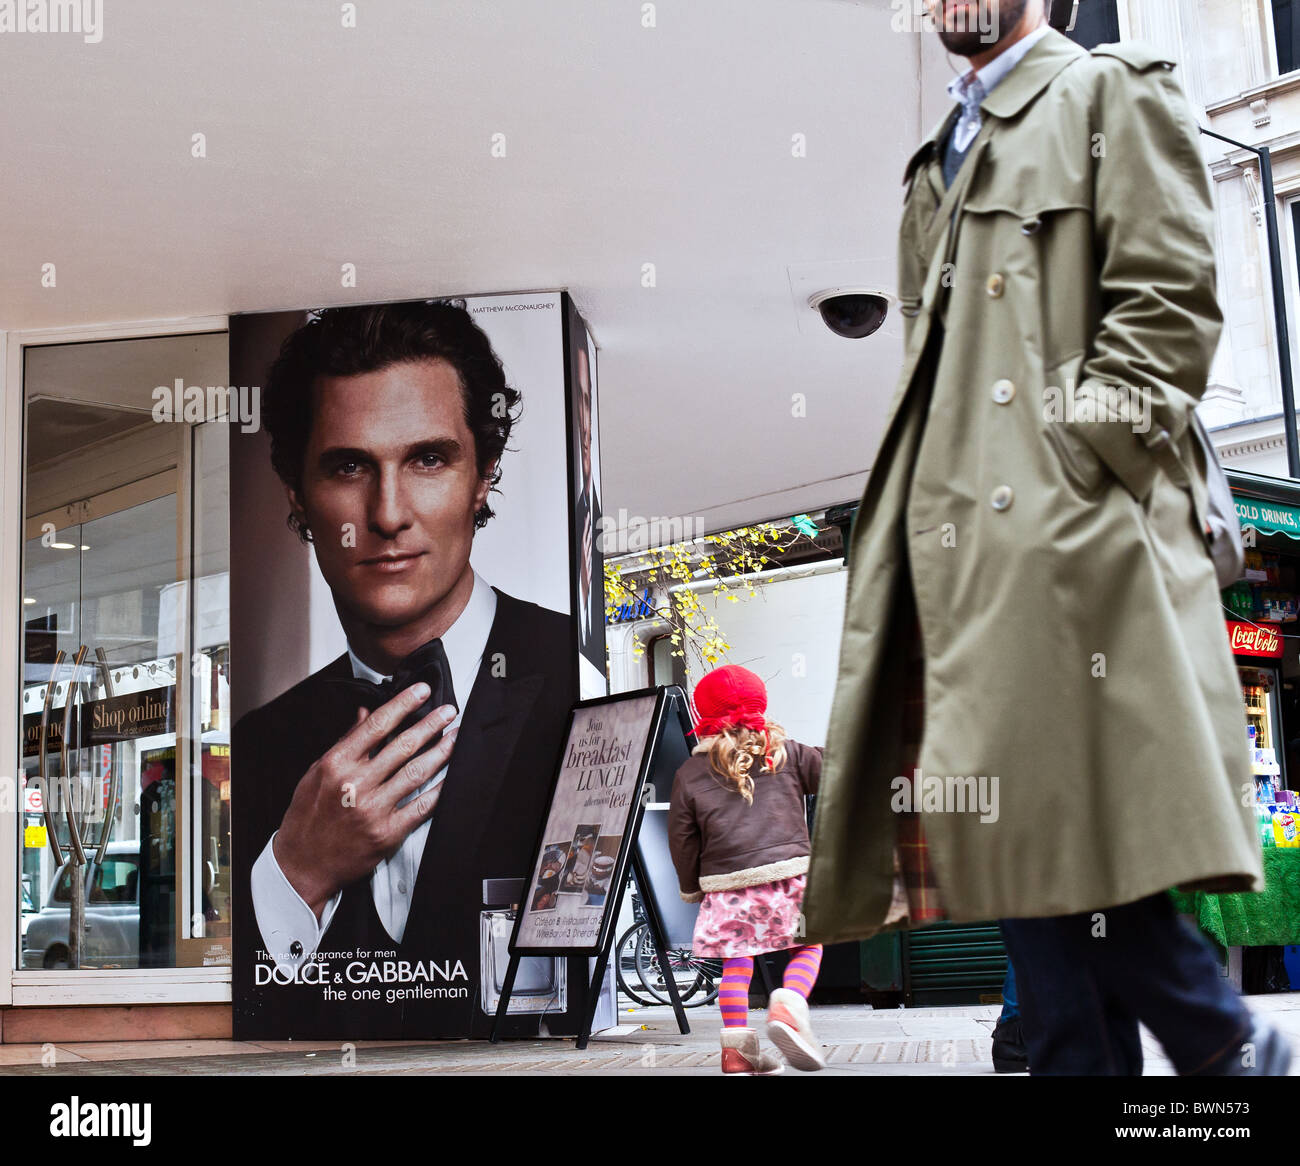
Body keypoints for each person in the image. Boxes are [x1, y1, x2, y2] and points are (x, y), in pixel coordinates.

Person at [803, 0, 1291, 1075]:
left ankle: (1216, 1037)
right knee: (1012, 846)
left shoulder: (1109, 89)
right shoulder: (931, 166)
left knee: (1062, 830)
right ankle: (1213, 1043)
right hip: (949, 561)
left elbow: (1167, 306)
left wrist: (1074, 466)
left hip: (1071, 549)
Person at [232, 299, 581, 1039]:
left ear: (483, 475)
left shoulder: (573, 678)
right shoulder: (261, 742)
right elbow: (249, 1016)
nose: (387, 513)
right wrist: (296, 870)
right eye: (349, 465)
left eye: (427, 459)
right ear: (298, 495)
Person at [668, 665, 827, 1075]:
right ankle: (790, 1003)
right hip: (790, 876)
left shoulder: (689, 773)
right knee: (809, 943)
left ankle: (737, 1053)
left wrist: (692, 888)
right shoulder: (786, 753)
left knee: (737, 963)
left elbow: (683, 839)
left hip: (727, 886)